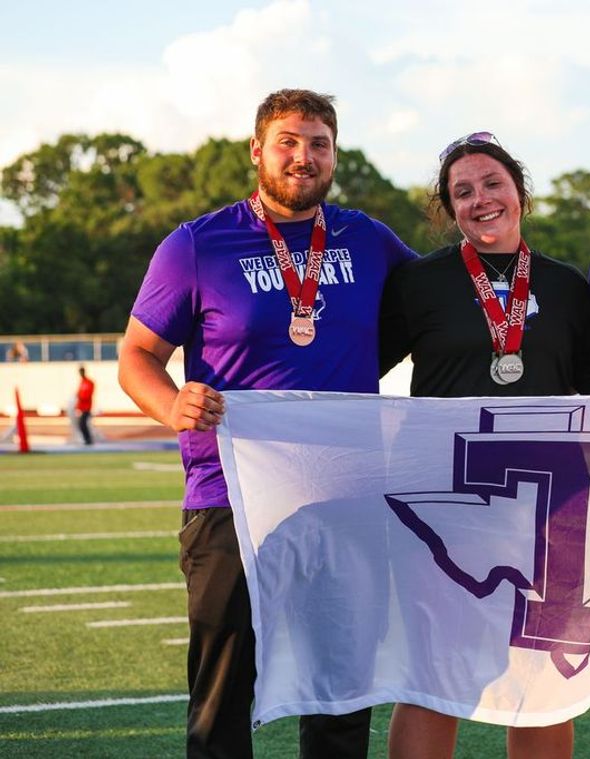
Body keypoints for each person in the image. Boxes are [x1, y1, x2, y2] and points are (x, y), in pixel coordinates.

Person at [118, 89, 416, 759]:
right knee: (223, 699)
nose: (302, 156)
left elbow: (435, 310)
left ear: (334, 155)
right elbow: (137, 356)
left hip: (346, 499)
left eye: (318, 143)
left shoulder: (368, 240)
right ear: (257, 150)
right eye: (287, 140)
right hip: (234, 498)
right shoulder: (196, 244)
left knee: (341, 698)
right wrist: (173, 404)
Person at [379, 131, 590, 758]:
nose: (481, 199)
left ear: (520, 193)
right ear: (449, 209)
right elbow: (354, 370)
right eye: (463, 192)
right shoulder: (420, 282)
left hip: (546, 506)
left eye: (492, 184)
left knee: (538, 675)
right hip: (444, 497)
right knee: (433, 675)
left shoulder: (567, 286)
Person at [76, 366, 95, 445]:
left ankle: (88, 439)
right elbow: (78, 394)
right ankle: (87, 439)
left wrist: (81, 397)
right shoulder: (82, 382)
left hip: (87, 407)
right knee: (82, 424)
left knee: (82, 423)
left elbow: (87, 395)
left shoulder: (89, 382)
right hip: (82, 407)